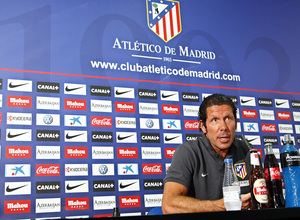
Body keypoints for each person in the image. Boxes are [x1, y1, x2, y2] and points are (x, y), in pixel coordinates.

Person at [162, 93, 251, 214]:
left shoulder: (247, 150)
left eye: (228, 118)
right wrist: (221, 206)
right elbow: (169, 205)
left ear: (236, 123)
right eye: (215, 120)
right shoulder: (188, 152)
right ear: (203, 127)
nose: (223, 127)